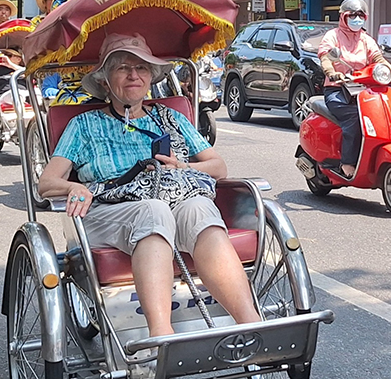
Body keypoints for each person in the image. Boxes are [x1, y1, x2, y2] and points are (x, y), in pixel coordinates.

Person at [38, 33, 260, 338]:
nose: (133, 75)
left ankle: (252, 325)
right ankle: (162, 337)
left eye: (141, 68)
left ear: (150, 78)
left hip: (174, 198)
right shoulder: (84, 124)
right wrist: (73, 187)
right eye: (122, 68)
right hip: (108, 210)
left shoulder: (169, 118)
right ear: (104, 81)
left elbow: (217, 167)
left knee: (200, 208)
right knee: (153, 211)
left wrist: (183, 166)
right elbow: (47, 182)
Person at [318, 0, 391, 178]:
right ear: (343, 17)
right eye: (352, 15)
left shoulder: (366, 39)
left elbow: (378, 60)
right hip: (338, 90)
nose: (356, 19)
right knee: (354, 118)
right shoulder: (333, 36)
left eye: (360, 15)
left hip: (364, 91)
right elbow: (326, 57)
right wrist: (332, 72)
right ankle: (347, 162)